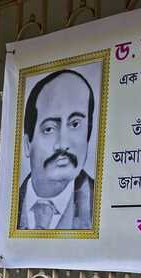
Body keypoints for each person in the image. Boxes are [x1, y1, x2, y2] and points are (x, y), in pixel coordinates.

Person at [17, 69, 95, 231]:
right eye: (50, 129)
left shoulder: (101, 205)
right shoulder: (4, 206)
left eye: (75, 124)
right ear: (27, 144)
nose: (63, 144)